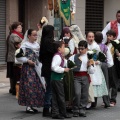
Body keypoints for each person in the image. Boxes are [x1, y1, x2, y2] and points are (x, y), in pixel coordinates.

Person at [16, 29, 45, 113]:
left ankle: (33, 104)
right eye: (34, 35)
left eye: (36, 35)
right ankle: (28, 106)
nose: (35, 37)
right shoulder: (24, 45)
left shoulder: (37, 45)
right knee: (29, 86)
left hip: (36, 68)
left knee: (37, 86)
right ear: (29, 36)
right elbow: (18, 57)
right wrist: (27, 61)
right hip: (28, 69)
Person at [69, 40, 95, 117]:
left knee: (84, 94)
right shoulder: (73, 57)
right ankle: (75, 109)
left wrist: (89, 65)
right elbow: (68, 64)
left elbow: (92, 71)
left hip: (85, 76)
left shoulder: (89, 57)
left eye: (82, 48)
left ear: (86, 49)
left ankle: (82, 109)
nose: (80, 50)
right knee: (77, 93)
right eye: (79, 48)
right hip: (76, 76)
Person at [86, 32, 108, 108]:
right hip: (87, 66)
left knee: (95, 83)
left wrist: (96, 62)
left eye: (92, 37)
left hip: (95, 67)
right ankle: (89, 101)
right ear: (87, 37)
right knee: (89, 84)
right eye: (89, 37)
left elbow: (101, 57)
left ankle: (95, 102)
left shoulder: (96, 47)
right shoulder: (85, 46)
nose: (91, 38)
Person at [51, 41, 72, 119]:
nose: (64, 48)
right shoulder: (57, 56)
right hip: (57, 78)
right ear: (59, 48)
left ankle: (55, 113)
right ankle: (63, 113)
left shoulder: (60, 56)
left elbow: (64, 63)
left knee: (55, 96)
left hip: (55, 78)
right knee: (60, 96)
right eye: (63, 47)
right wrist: (63, 70)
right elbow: (54, 67)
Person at [39, 25, 56, 117]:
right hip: (50, 68)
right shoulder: (49, 42)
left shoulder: (43, 41)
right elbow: (53, 52)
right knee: (50, 89)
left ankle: (49, 107)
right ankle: (47, 108)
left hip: (45, 67)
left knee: (49, 88)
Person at [95, 31, 114, 107]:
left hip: (95, 65)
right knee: (105, 83)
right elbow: (109, 59)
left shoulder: (92, 46)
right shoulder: (105, 47)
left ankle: (93, 102)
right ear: (102, 38)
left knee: (94, 82)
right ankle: (106, 102)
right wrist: (108, 65)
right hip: (103, 65)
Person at [6, 22, 23, 95]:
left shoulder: (16, 35)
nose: (21, 28)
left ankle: (13, 88)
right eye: (19, 27)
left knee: (13, 74)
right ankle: (14, 89)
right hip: (13, 58)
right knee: (14, 74)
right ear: (15, 28)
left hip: (13, 57)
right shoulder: (14, 35)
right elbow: (18, 44)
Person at [106, 29, 120, 106]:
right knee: (107, 82)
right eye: (107, 36)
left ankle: (113, 99)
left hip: (114, 65)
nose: (108, 37)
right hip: (107, 65)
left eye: (110, 36)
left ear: (114, 37)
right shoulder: (105, 44)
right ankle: (106, 99)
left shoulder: (117, 45)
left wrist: (118, 53)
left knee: (114, 82)